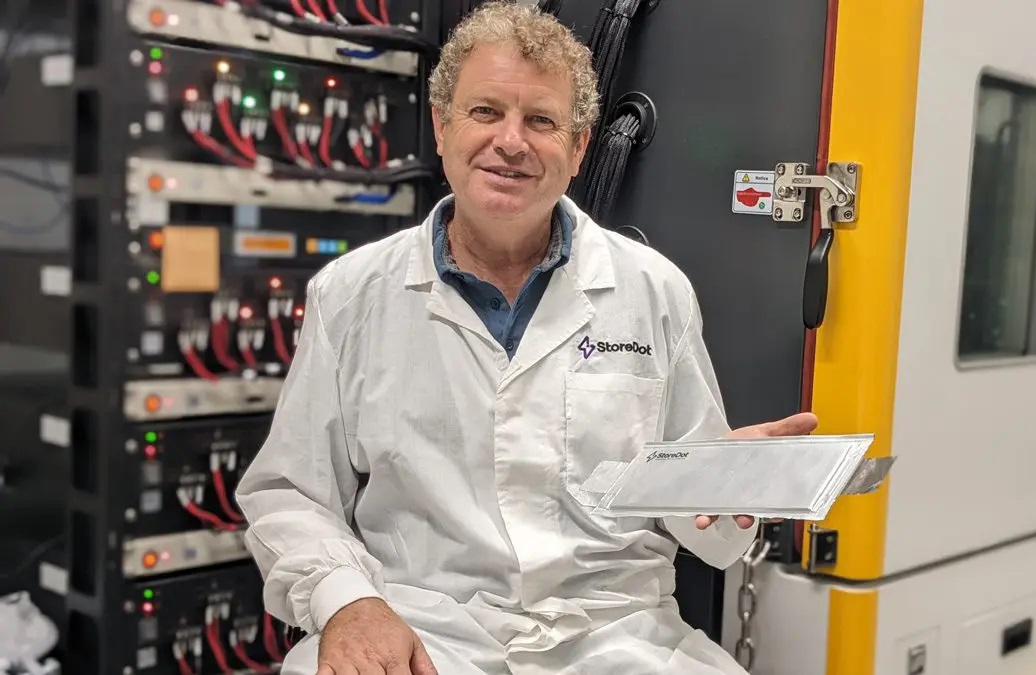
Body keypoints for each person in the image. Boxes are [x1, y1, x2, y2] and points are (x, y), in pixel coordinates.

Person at [234, 3, 818, 674]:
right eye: (485, 112)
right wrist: (347, 601)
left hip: (618, 635)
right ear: (442, 126)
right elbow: (292, 493)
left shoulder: (653, 290)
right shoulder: (352, 294)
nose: (510, 142)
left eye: (541, 120)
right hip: (427, 630)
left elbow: (706, 533)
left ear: (579, 148)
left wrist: (724, 491)